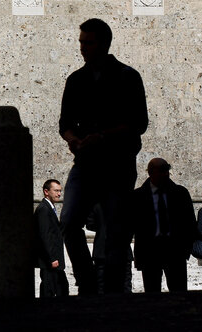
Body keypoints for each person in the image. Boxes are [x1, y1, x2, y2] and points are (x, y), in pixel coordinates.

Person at [58, 18, 148, 295]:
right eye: (81, 42)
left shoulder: (127, 77)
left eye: (88, 42)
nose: (82, 47)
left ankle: (112, 289)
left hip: (117, 165)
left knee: (116, 231)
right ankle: (86, 281)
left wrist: (104, 136)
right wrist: (73, 139)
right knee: (69, 222)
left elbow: (139, 123)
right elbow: (64, 124)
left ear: (104, 44)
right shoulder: (76, 80)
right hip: (85, 163)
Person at [128, 158, 196, 293]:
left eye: (167, 170)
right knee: (152, 293)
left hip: (175, 250)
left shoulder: (180, 193)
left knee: (179, 293)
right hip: (150, 252)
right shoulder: (137, 197)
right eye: (162, 171)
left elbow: (189, 223)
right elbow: (132, 225)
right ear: (151, 173)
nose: (166, 175)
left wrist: (185, 250)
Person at [34, 179, 69, 297]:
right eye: (56, 191)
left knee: (61, 288)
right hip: (50, 262)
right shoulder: (44, 209)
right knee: (49, 290)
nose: (59, 194)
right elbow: (45, 236)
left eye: (60, 191)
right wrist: (52, 258)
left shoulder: (49, 208)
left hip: (54, 261)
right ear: (46, 192)